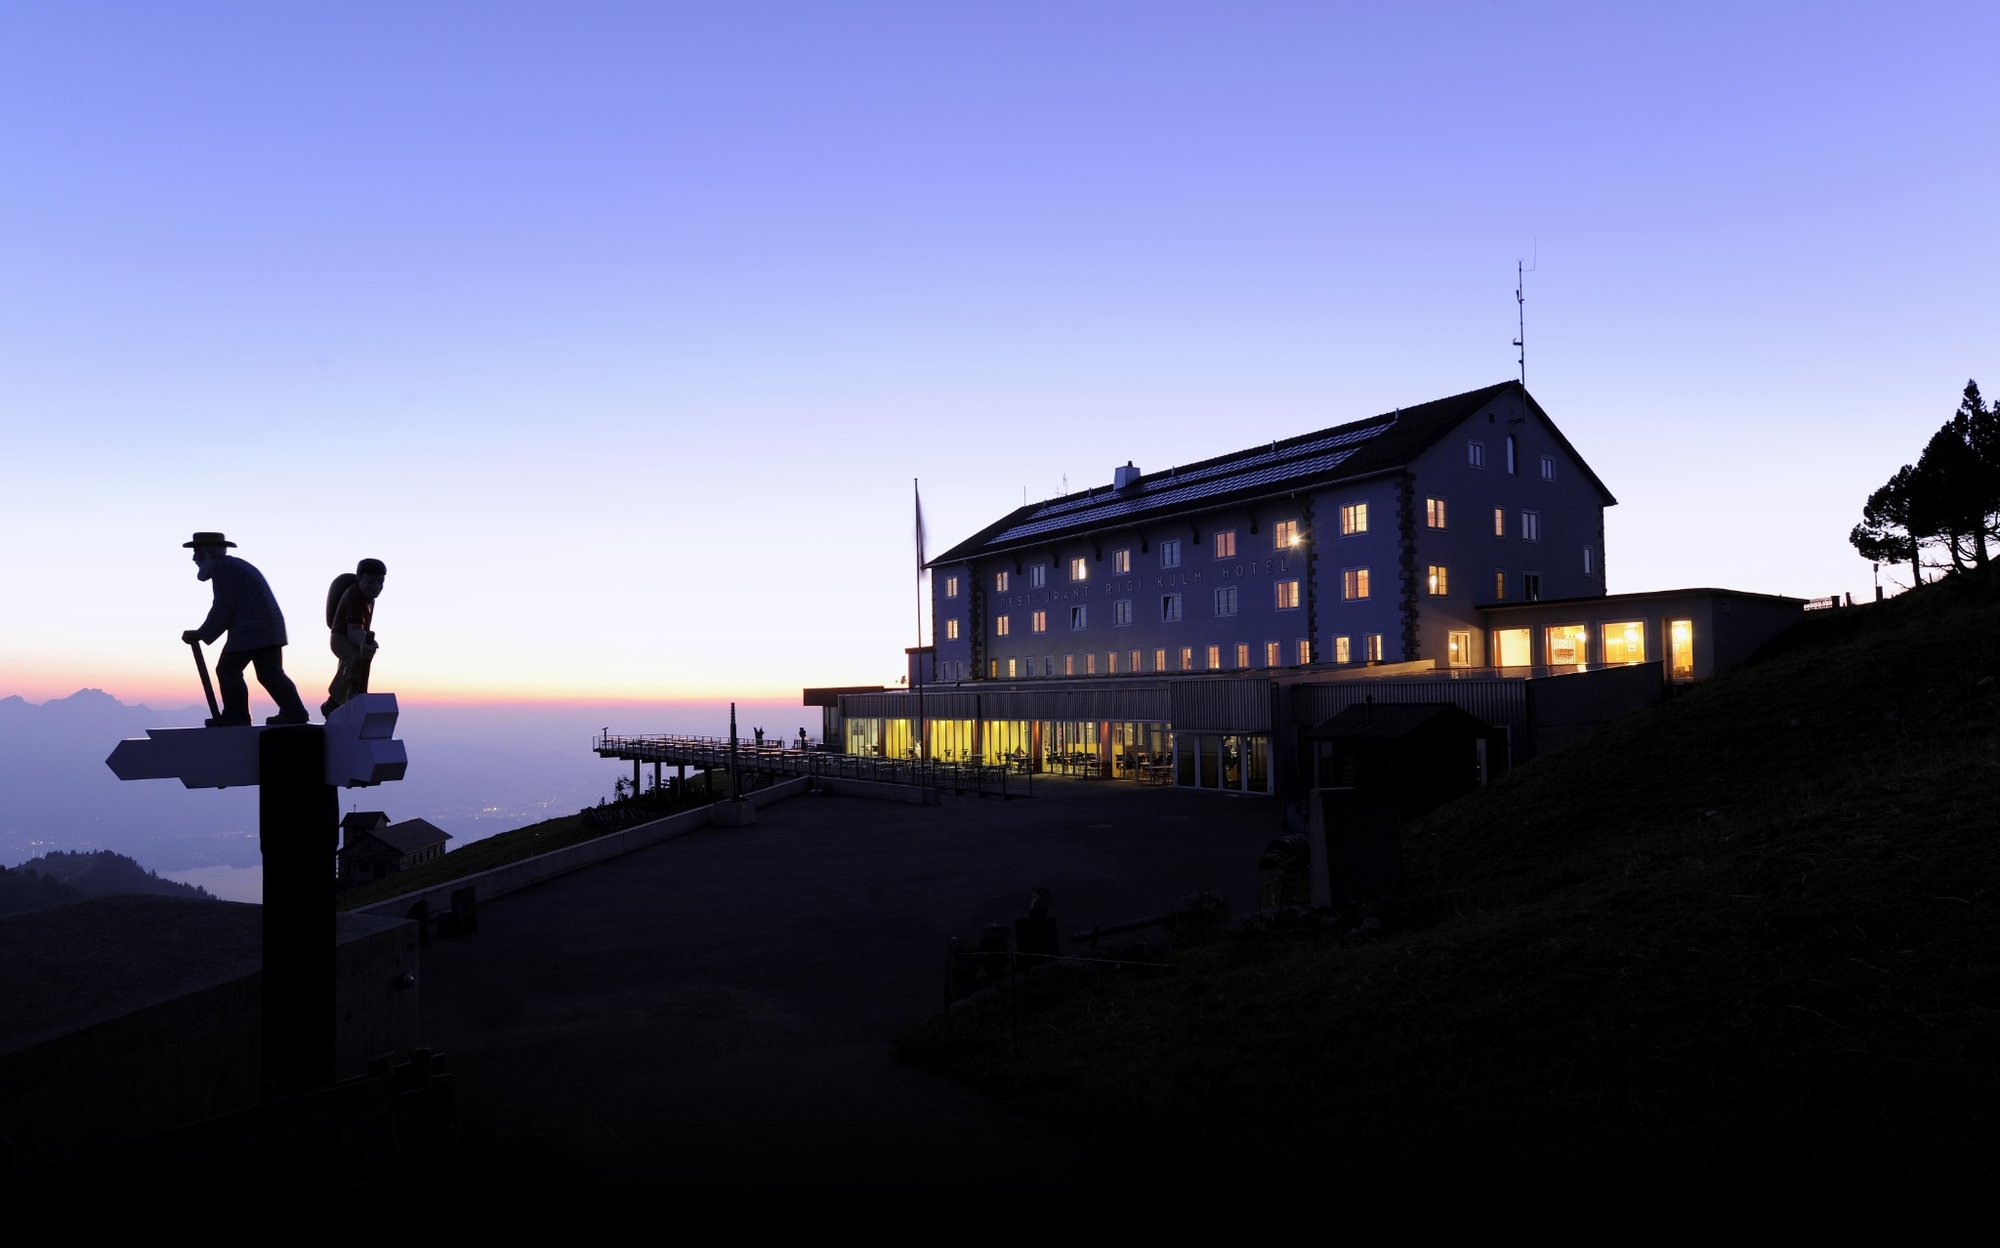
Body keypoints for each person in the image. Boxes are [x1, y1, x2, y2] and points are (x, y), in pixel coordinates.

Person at [180, 532, 310, 727]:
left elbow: (224, 607)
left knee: (227, 670)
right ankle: (294, 711)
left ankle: (237, 715)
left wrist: (201, 633)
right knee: (270, 673)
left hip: (252, 630)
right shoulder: (233, 566)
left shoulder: (224, 569)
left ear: (207, 553)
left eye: (197, 553)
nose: (194, 559)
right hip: (267, 628)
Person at [324, 557, 387, 716]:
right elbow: (354, 630)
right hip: (341, 638)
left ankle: (352, 695)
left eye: (380, 583)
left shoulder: (368, 599)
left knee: (359, 665)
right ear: (360, 578)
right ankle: (334, 702)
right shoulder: (355, 596)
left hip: (355, 638)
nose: (376, 587)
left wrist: (365, 642)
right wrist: (364, 643)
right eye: (371, 582)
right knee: (353, 658)